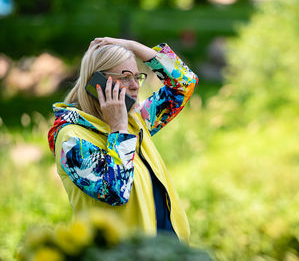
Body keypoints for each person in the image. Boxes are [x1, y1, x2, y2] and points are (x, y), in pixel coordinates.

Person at [48, 37, 198, 242]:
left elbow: (184, 83)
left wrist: (131, 46)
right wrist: (118, 127)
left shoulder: (135, 120)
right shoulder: (70, 140)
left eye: (137, 77)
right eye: (125, 77)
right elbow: (116, 191)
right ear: (96, 83)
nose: (135, 86)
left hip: (165, 250)